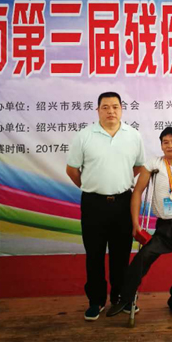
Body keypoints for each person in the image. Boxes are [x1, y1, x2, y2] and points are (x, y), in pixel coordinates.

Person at [106, 127, 172, 318]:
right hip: (164, 227)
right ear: (161, 145)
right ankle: (125, 298)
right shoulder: (153, 164)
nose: (170, 145)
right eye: (165, 142)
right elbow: (138, 192)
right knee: (143, 257)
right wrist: (135, 223)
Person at [66, 92, 145, 321]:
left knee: (121, 255)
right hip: (93, 204)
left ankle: (120, 297)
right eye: (105, 107)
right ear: (98, 110)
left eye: (115, 106)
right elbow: (72, 169)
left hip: (123, 203)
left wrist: (119, 182)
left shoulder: (133, 135)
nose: (111, 111)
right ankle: (96, 301)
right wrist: (91, 186)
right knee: (95, 254)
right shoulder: (84, 136)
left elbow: (138, 166)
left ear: (122, 109)